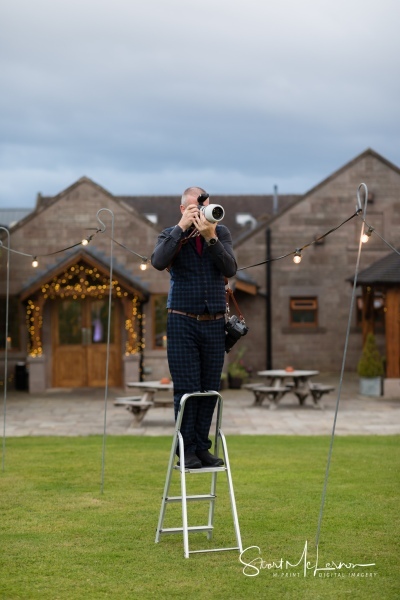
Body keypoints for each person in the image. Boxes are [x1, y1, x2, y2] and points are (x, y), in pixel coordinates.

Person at [151, 186, 237, 468]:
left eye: (205, 207)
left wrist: (210, 237)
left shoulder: (220, 233)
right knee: (186, 390)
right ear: (183, 209)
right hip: (181, 321)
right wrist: (181, 228)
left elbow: (230, 269)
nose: (202, 213)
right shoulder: (170, 234)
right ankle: (185, 450)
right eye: (195, 208)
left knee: (209, 389)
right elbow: (158, 261)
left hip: (213, 323)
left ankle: (202, 447)